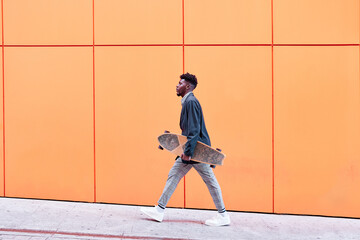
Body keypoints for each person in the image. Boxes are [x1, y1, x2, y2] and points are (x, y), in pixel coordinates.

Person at [140, 73, 230, 227]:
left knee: (210, 181)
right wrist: (169, 142)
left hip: (196, 153)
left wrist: (188, 153)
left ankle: (223, 215)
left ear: (187, 86)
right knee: (174, 175)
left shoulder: (191, 102)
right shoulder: (187, 102)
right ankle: (159, 210)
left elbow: (194, 131)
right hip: (193, 150)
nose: (177, 85)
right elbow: (188, 132)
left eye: (180, 83)